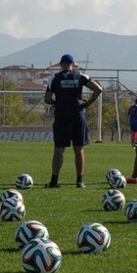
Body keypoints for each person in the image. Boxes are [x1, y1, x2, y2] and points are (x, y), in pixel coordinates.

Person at [43, 54, 103, 188]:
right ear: (73, 64)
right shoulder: (81, 75)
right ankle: (79, 181)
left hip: (62, 115)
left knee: (59, 149)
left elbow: (47, 99)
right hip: (78, 114)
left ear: (61, 64)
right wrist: (87, 104)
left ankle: (54, 181)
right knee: (79, 149)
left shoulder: (55, 77)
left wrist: (57, 103)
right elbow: (98, 89)